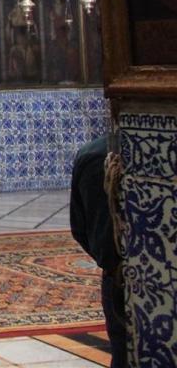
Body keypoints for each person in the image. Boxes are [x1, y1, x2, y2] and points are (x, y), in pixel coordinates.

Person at [70, 135, 128, 367]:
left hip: (116, 278)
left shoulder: (92, 155)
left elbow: (81, 228)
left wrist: (112, 262)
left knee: (124, 353)